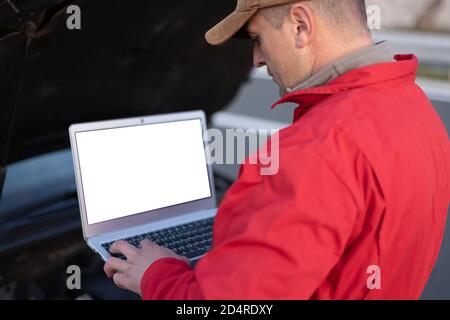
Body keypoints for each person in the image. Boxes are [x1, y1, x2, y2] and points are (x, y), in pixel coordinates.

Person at [104, 0, 450, 299]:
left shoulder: (310, 153)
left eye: (258, 38)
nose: (256, 59)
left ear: (300, 25)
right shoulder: (416, 110)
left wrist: (157, 274)